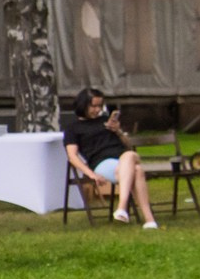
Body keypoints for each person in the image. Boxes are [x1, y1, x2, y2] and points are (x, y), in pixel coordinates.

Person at [63, 88, 158, 229]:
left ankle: (122, 207)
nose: (97, 110)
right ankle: (149, 220)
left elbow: (128, 144)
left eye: (99, 106)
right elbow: (72, 156)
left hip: (123, 158)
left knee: (129, 155)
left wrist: (118, 131)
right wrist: (91, 174)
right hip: (102, 164)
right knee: (137, 170)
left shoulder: (106, 121)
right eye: (93, 106)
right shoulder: (73, 127)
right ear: (83, 105)